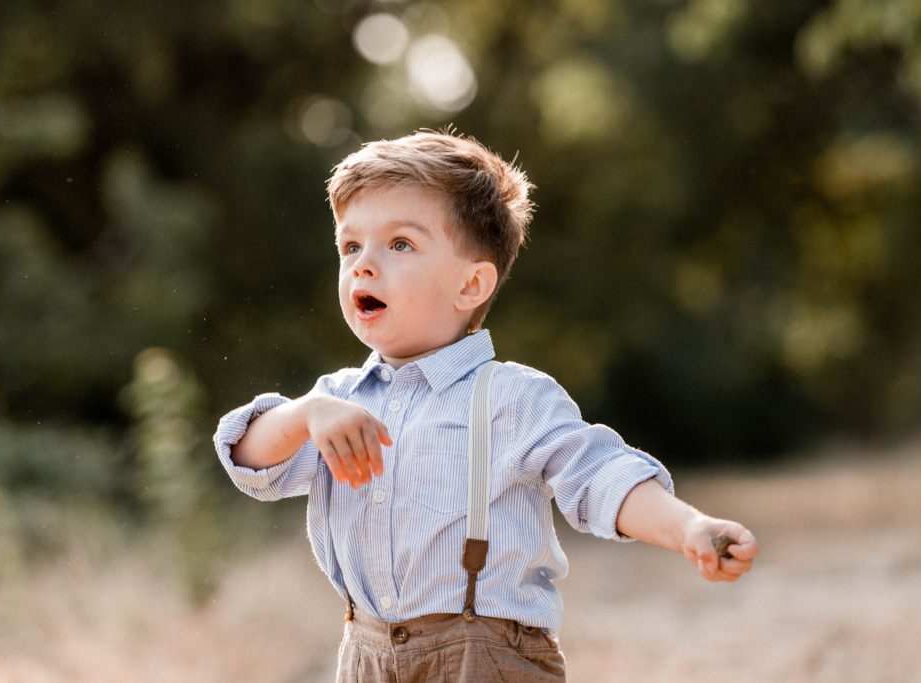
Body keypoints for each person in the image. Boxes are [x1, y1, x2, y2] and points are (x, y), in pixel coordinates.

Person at [213, 130, 759, 682]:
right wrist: (305, 413)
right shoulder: (335, 401)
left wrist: (688, 528)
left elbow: (600, 475)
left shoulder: (511, 398)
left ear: (472, 284)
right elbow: (251, 460)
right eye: (351, 247)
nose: (364, 265)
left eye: (399, 244)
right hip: (367, 655)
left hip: (485, 657)